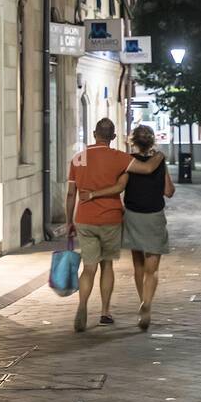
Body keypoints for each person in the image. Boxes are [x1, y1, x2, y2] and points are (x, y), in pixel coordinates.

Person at [65, 117, 159, 333]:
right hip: (110, 218)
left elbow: (71, 193)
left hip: (84, 218)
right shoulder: (120, 158)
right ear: (113, 137)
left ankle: (82, 305)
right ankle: (105, 312)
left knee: (89, 268)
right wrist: (158, 156)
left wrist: (69, 221)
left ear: (94, 134)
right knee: (107, 265)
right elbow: (145, 170)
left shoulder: (78, 158)